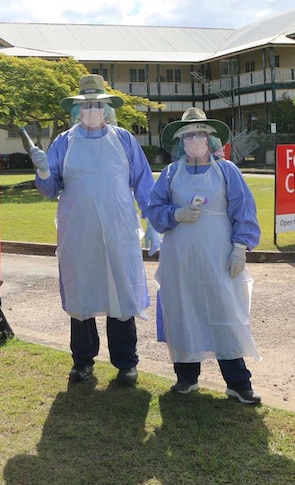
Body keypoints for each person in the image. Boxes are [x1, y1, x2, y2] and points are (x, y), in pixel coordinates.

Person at [30, 74, 160, 386]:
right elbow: (50, 189)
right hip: (79, 232)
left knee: (120, 294)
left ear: (106, 108)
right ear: (77, 109)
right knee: (82, 295)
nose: (91, 110)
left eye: (97, 104)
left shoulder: (124, 139)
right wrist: (44, 170)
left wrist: (153, 222)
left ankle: (126, 362)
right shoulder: (64, 141)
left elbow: (143, 183)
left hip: (118, 230)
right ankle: (83, 361)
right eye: (86, 104)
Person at [147, 107, 262, 404]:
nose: (195, 139)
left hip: (218, 257)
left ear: (211, 139)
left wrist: (240, 248)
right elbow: (154, 211)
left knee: (224, 312)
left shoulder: (227, 171)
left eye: (200, 133)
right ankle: (186, 377)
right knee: (183, 312)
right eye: (189, 134)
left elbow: (244, 210)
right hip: (180, 259)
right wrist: (177, 213)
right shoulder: (171, 174)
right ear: (180, 140)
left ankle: (238, 382)